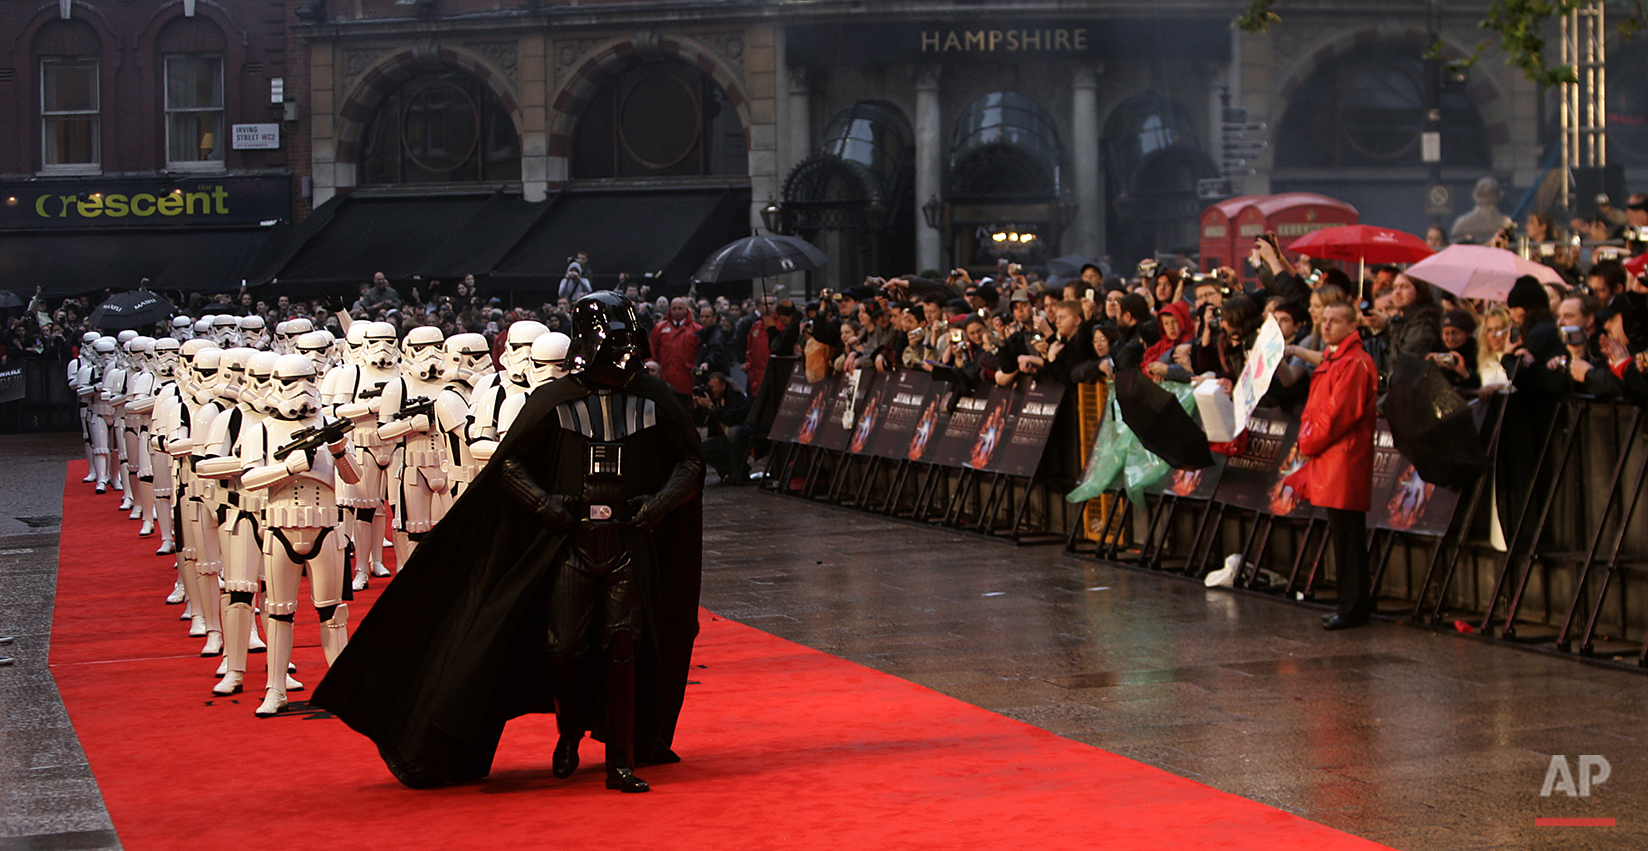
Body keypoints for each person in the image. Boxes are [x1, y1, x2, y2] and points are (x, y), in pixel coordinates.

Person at [313, 291, 704, 794]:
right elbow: (508, 466)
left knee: (623, 648)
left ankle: (620, 759)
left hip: (628, 540)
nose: (622, 353)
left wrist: (659, 504)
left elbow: (691, 462)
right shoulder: (554, 399)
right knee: (563, 647)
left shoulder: (654, 398)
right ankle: (568, 732)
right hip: (571, 541)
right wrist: (545, 506)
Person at [1282, 302, 1378, 630]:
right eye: (1324, 321)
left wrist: (1308, 442)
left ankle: (1352, 607)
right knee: (1344, 532)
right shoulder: (1339, 359)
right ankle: (1352, 604)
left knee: (1348, 534)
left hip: (1343, 456)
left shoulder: (1353, 362)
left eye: (1335, 321)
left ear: (1353, 327)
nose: (1326, 326)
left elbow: (1339, 413)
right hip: (1334, 456)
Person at [695, 372, 752, 484]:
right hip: (726, 440)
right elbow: (699, 422)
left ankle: (738, 472)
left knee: (734, 431)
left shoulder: (737, 398)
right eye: (709, 387)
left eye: (712, 387)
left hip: (745, 437)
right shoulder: (715, 399)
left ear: (723, 386)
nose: (710, 390)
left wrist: (712, 407)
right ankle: (733, 470)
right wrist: (697, 406)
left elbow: (731, 419)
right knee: (702, 447)